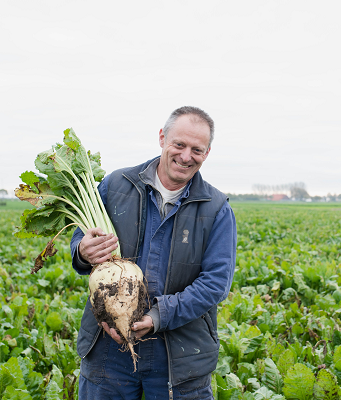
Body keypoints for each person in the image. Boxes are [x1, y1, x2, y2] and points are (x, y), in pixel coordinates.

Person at [70, 106, 237, 399]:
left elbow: (215, 284)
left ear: (207, 153)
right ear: (162, 138)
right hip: (108, 347)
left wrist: (159, 316)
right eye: (179, 144)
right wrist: (83, 250)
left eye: (197, 150)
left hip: (179, 353)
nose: (186, 156)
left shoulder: (217, 208)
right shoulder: (115, 184)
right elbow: (79, 240)